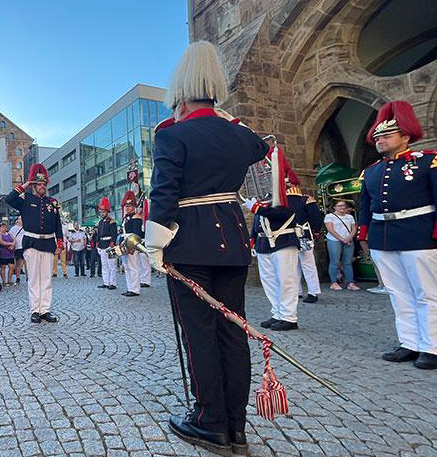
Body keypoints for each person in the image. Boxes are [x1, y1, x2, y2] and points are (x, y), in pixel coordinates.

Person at [144, 41, 269, 455]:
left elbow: (163, 195)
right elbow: (260, 145)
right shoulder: (238, 137)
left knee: (200, 333)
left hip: (188, 244)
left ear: (179, 97)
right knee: (233, 332)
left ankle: (209, 421)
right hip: (232, 241)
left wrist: (154, 246)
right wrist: (223, 113)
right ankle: (237, 426)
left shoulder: (173, 136)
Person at [357, 100, 437, 370]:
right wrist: (365, 236)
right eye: (377, 137)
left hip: (419, 233)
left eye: (386, 135)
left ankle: (431, 346)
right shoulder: (371, 171)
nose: (380, 141)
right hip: (384, 236)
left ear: (405, 137)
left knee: (426, 293)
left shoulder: (428, 161)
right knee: (398, 293)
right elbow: (365, 207)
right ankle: (409, 343)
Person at [248, 165, 323, 331]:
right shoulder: (265, 196)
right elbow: (257, 219)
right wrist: (253, 237)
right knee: (269, 281)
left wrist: (258, 208)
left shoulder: (292, 195)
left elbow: (286, 213)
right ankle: (277, 313)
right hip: (264, 241)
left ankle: (289, 316)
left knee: (286, 279)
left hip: (283, 239)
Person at [4, 163, 63, 323]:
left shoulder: (53, 202)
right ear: (33, 185)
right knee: (34, 278)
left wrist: (60, 241)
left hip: (49, 243)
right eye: (38, 184)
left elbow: (58, 224)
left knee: (46, 278)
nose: (42, 186)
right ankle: (35, 310)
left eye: (44, 184)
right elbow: (8, 199)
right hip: (31, 242)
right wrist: (25, 185)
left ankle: (45, 310)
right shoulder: (25, 199)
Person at [325, 200, 358, 291]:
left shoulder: (350, 217)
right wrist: (342, 239)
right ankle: (333, 282)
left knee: (347, 262)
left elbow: (354, 229)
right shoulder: (329, 216)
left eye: (343, 205)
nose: (342, 207)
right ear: (334, 207)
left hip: (348, 240)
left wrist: (349, 237)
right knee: (334, 261)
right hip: (334, 240)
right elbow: (330, 229)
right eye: (339, 206)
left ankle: (350, 282)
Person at [120, 192, 144, 297]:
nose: (127, 208)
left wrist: (133, 247)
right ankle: (130, 288)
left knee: (133, 267)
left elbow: (137, 234)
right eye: (126, 206)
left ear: (134, 206)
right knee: (127, 267)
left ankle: (135, 289)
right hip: (125, 242)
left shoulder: (136, 217)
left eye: (129, 206)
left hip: (131, 243)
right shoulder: (126, 217)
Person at [95, 198, 118, 290]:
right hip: (102, 244)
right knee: (104, 265)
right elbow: (98, 234)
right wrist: (97, 244)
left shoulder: (112, 222)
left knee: (112, 265)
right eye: (101, 212)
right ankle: (106, 282)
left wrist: (112, 244)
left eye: (103, 212)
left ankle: (113, 283)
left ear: (107, 211)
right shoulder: (100, 222)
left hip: (109, 245)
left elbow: (114, 234)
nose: (102, 214)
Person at [9, 216, 26, 284]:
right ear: (18, 220)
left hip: (25, 247)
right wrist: (12, 244)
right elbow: (10, 236)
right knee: (18, 264)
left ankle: (28, 278)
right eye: (20, 219)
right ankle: (18, 278)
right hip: (18, 248)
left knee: (27, 264)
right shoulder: (13, 228)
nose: (22, 220)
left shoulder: (26, 227)